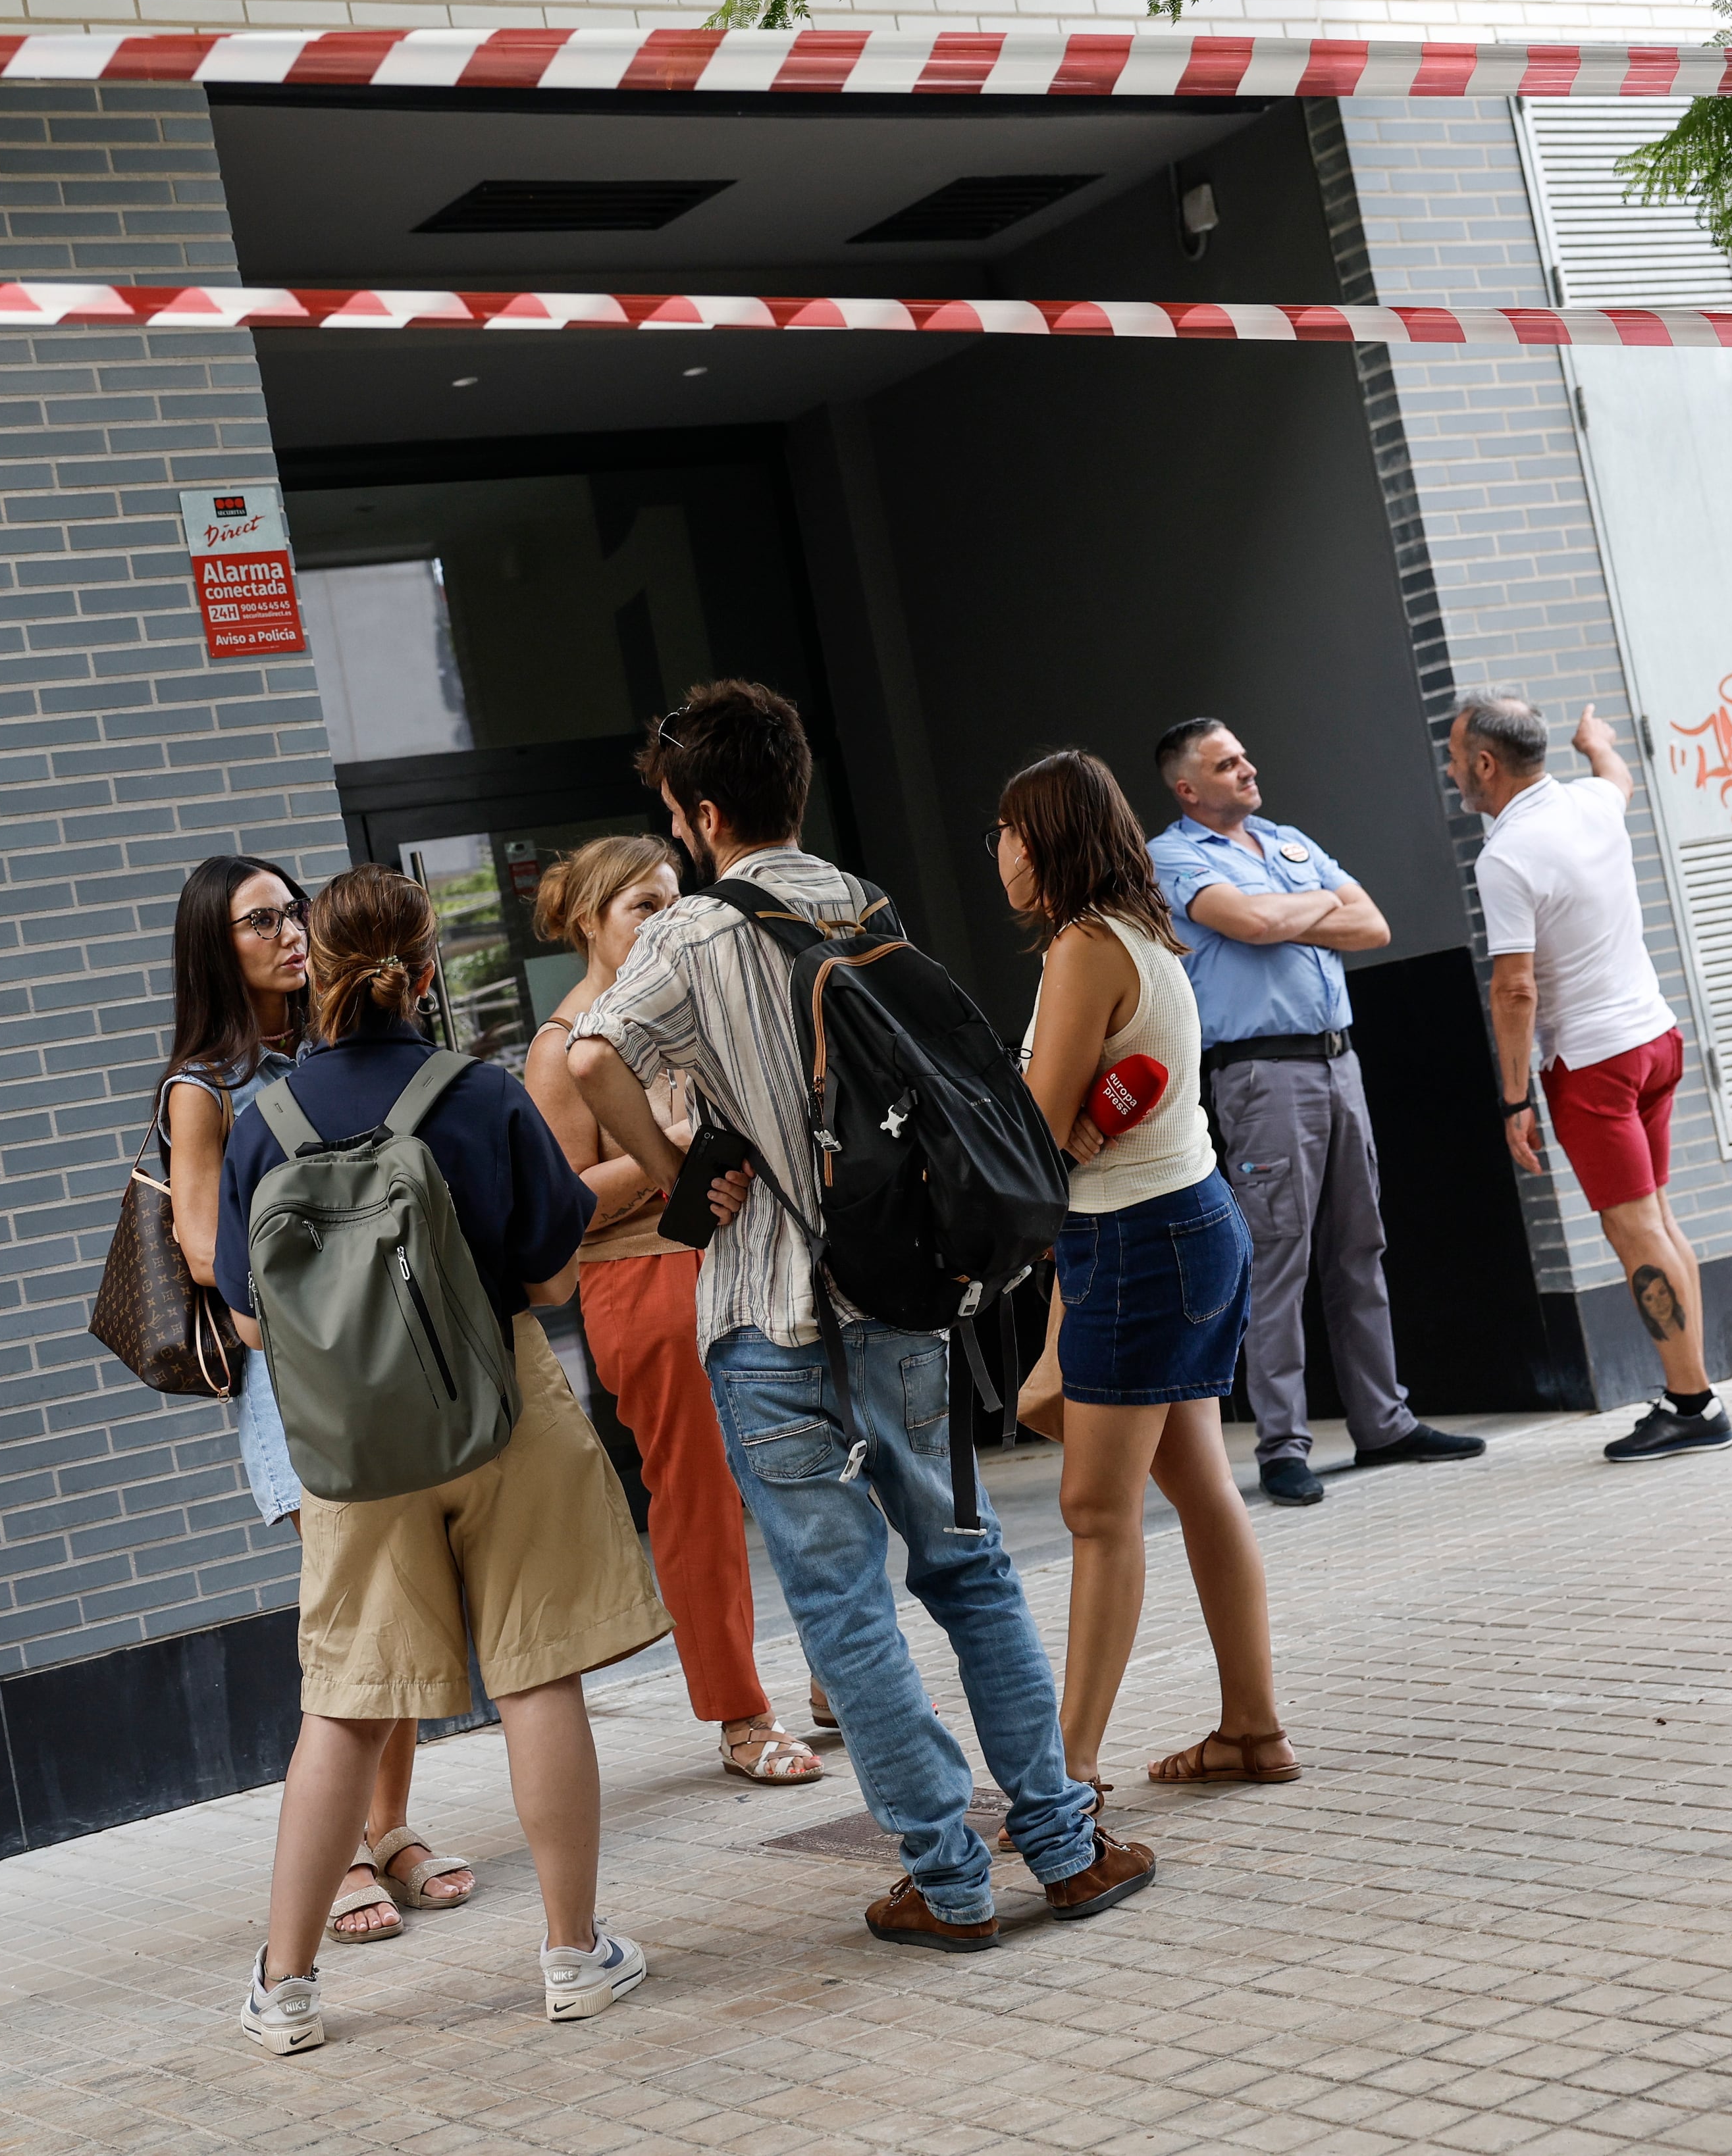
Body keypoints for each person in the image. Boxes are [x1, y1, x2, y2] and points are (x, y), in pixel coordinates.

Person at [568, 680, 1154, 1956]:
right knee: (968, 1565)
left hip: (759, 1313)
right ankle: (1060, 1841)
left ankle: (946, 1879)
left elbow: (585, 1057)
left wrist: (678, 1182)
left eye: (674, 815)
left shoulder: (684, 938)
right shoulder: (862, 900)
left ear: (703, 813)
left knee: (841, 1602)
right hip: (899, 1297)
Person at [221, 865, 672, 2054]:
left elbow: (251, 1316)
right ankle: (575, 1958)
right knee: (535, 1674)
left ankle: (285, 1989)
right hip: (499, 1406)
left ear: (312, 974)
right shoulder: (478, 1096)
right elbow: (551, 1275)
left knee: (343, 1706)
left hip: (350, 1444)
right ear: (427, 971)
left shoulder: (263, 1122)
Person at [159, 856, 473, 1948]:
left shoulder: (335, 1053)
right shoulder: (205, 1087)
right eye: (261, 919)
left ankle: (388, 1825)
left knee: (410, 1596)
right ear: (218, 944)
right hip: (296, 1378)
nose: (291, 931)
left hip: (388, 1360)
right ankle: (338, 1848)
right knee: (354, 1613)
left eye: (296, 910)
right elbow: (206, 1249)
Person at [996, 750, 1299, 1794]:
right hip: (1190, 1224)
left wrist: (1032, 1127)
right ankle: (1252, 1730)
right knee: (1202, 1487)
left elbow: (1035, 1129)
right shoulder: (1145, 932)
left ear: (1045, 842)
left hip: (1134, 1240)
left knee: (1095, 1508)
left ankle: (1068, 1775)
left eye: (1008, 832)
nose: (998, 853)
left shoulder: (1082, 948)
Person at [523, 835, 823, 1791]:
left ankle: (836, 1678)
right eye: (641, 907)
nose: (666, 917)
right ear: (588, 923)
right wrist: (676, 1145)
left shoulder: (682, 1008)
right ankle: (740, 1715)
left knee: (805, 1469)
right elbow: (562, 1203)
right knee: (697, 1500)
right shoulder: (561, 1047)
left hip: (741, 1259)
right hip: (641, 1284)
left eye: (674, 897)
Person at [1147, 719, 1486, 1506]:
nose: (1246, 769)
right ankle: (1281, 1446)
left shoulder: (1285, 840)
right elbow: (1251, 924)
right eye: (1224, 764)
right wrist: (1302, 907)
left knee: (1358, 1246)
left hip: (1339, 1062)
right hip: (1261, 1074)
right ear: (1186, 788)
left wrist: (1277, 909)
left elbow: (1372, 925)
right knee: (1276, 1257)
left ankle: (1383, 1422)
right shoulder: (1171, 856)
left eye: (1243, 756)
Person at [1446, 691, 1732, 1461]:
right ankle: (1691, 1391)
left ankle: (1693, 1404)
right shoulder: (1592, 803)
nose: (1450, 771)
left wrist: (1513, 1098)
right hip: (1653, 1042)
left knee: (1630, 1227)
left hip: (1593, 1064)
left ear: (1484, 764)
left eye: (1452, 757)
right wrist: (1595, 741)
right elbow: (1617, 773)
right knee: (1658, 1221)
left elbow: (1513, 990)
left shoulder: (1504, 856)